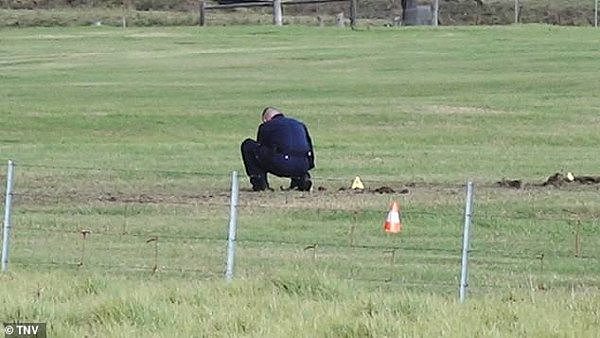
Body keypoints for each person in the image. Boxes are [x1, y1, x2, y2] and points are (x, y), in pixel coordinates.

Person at [241, 107, 315, 191]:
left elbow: (261, 148)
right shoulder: (299, 124)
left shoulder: (267, 126)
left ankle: (260, 183)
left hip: (282, 164)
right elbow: (309, 147)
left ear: (265, 119)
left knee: (248, 145)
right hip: (303, 165)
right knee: (295, 151)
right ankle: (300, 180)